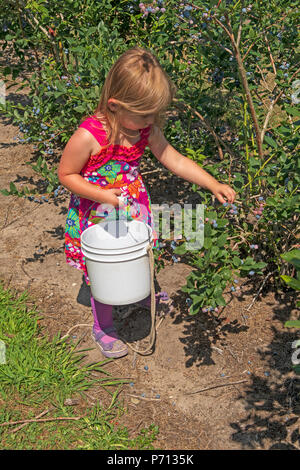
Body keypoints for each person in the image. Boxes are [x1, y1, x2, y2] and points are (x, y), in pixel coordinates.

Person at [58, 46, 236, 359]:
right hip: (97, 212)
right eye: (144, 114)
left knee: (137, 255)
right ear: (114, 105)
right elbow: (67, 174)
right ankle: (103, 324)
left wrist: (212, 183)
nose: (151, 120)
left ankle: (137, 294)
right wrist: (103, 196)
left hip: (131, 207)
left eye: (154, 113)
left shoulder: (145, 130)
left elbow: (174, 159)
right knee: (104, 268)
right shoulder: (88, 136)